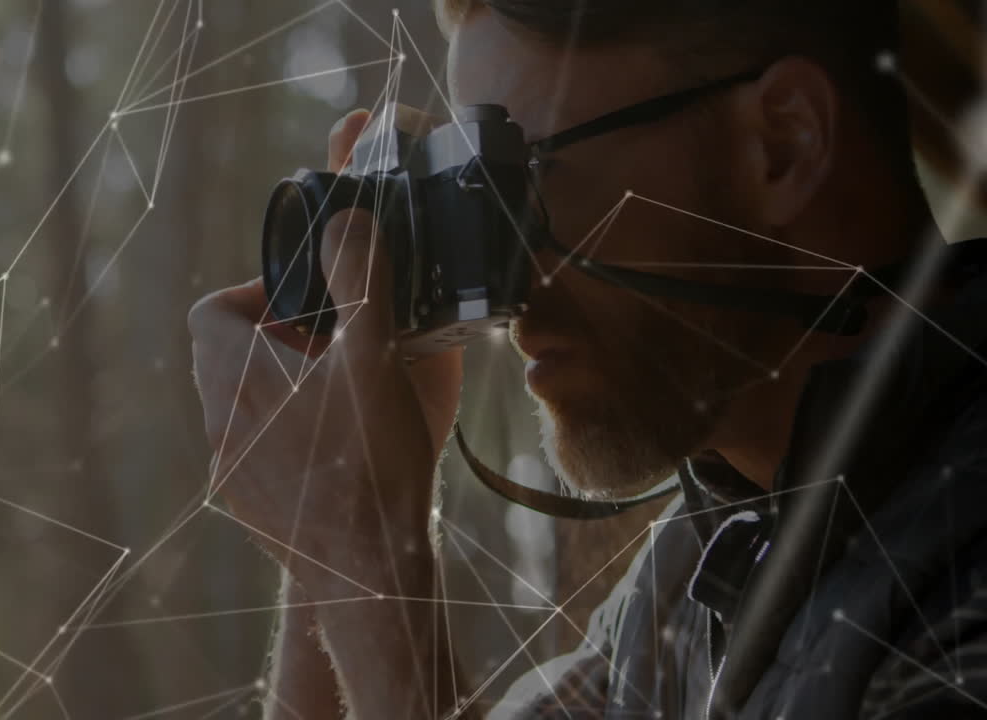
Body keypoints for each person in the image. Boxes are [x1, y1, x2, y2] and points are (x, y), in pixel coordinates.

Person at [188, 0, 987, 717]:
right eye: (469, 194)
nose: (508, 290)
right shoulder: (702, 565)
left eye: (515, 184)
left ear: (782, 144)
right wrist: (327, 514)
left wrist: (364, 564)